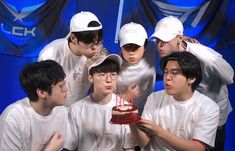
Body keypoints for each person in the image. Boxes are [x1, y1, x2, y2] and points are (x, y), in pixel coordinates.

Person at [150, 15, 234, 151]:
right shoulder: (166, 54)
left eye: (165, 40)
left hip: (213, 114)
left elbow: (230, 76)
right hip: (187, 112)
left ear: (180, 38)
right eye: (158, 39)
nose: (160, 45)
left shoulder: (206, 57)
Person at [130, 51, 220, 151]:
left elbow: (198, 148)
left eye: (174, 73)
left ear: (191, 78)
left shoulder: (209, 107)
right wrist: (131, 122)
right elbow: (143, 142)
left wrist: (159, 132)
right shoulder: (154, 98)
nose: (167, 78)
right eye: (165, 72)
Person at [64, 54, 135, 151]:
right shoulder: (76, 109)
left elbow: (129, 148)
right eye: (102, 75)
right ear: (91, 78)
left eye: (113, 74)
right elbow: (69, 147)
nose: (109, 80)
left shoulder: (126, 108)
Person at [38, 11, 104, 106]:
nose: (95, 48)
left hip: (78, 112)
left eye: (97, 42)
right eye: (89, 42)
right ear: (73, 38)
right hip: (53, 112)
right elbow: (43, 93)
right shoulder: (50, 54)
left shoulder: (99, 52)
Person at [0, 60, 69, 151]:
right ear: (41, 92)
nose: (66, 89)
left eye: (64, 84)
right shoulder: (13, 119)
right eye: (60, 86)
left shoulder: (61, 111)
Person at [117, 22, 156, 114]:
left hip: (144, 114)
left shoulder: (153, 50)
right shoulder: (112, 66)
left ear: (145, 46)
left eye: (136, 47)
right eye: (127, 47)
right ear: (120, 46)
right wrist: (126, 96)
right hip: (118, 115)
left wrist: (183, 42)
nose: (131, 52)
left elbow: (170, 43)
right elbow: (101, 99)